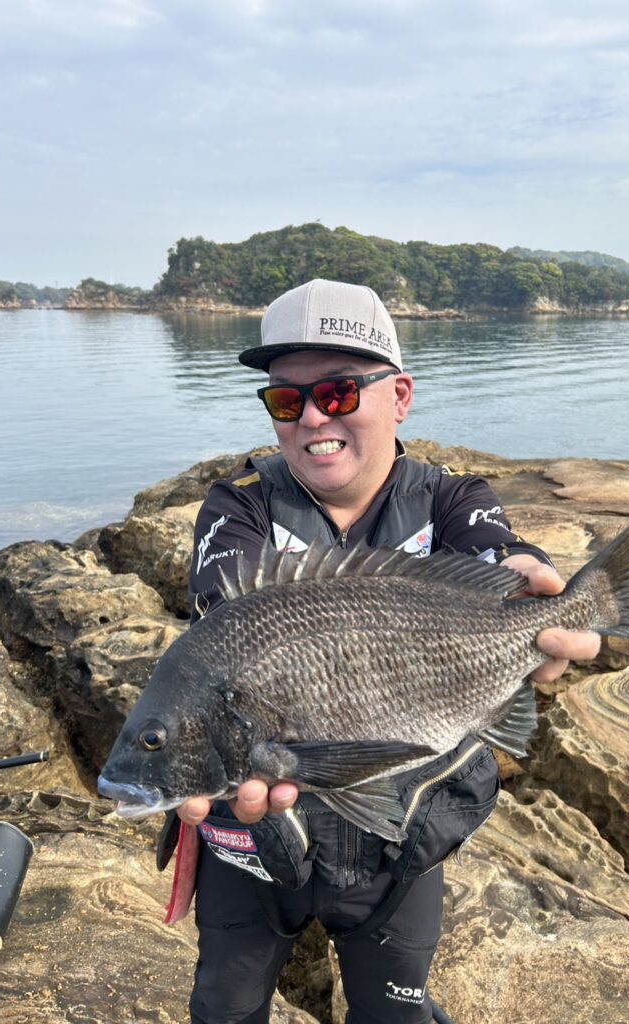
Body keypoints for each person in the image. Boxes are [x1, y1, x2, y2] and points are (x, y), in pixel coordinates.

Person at [170, 279, 600, 1024]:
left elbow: (501, 556)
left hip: (404, 841)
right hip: (252, 840)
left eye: (338, 393)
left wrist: (539, 586)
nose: (312, 418)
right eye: (286, 400)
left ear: (399, 397)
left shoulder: (452, 500)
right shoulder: (239, 504)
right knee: (224, 1010)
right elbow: (228, 619)